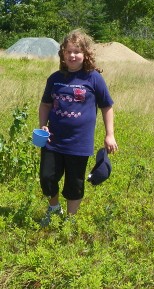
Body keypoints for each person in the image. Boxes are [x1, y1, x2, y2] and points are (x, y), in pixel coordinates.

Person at [39, 29, 118, 226]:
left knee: (74, 184)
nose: (72, 55)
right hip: (52, 141)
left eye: (77, 51)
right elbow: (46, 104)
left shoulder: (93, 78)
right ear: (63, 54)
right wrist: (42, 125)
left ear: (85, 54)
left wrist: (110, 135)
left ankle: (70, 221)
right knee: (47, 178)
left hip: (79, 144)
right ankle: (54, 208)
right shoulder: (54, 79)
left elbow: (106, 106)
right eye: (68, 51)